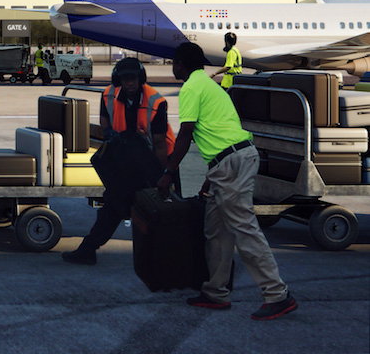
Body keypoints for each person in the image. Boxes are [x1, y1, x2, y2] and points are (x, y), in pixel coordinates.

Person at [156, 41, 296, 320]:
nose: (173, 66)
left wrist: (168, 172)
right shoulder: (209, 85)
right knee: (216, 231)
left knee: (244, 229)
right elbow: (220, 132)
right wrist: (212, 175)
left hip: (232, 162)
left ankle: (277, 294)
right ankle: (216, 293)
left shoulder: (192, 88)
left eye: (173, 62)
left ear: (180, 64)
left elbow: (185, 134)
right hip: (228, 161)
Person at [63, 57, 174, 265]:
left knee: (161, 210)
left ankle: (172, 254)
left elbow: (159, 144)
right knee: (114, 203)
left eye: (133, 79)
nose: (130, 83)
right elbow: (105, 118)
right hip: (128, 159)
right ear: (118, 80)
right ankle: (88, 249)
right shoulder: (109, 95)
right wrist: (107, 132)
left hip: (156, 160)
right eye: (125, 79)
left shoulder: (155, 101)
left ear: (140, 78)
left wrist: (165, 176)